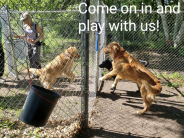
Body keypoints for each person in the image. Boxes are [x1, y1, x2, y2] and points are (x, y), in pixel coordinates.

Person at [14, 12, 44, 79]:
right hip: (29, 44)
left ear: (28, 19)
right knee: (30, 59)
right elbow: (25, 36)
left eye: (24, 20)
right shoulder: (25, 26)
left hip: (36, 44)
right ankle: (33, 73)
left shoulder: (35, 25)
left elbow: (42, 34)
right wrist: (18, 36)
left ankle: (40, 73)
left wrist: (34, 41)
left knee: (35, 58)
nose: (24, 21)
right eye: (23, 20)